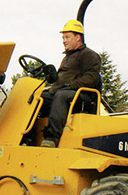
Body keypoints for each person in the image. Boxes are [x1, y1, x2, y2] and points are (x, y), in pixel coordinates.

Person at [39, 20, 101, 148]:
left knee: (61, 96)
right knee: (37, 97)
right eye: (63, 38)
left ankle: (52, 138)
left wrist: (70, 85)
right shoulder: (67, 57)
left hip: (82, 96)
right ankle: (28, 136)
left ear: (78, 37)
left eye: (67, 37)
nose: (64, 41)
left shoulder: (89, 55)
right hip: (64, 92)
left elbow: (91, 78)